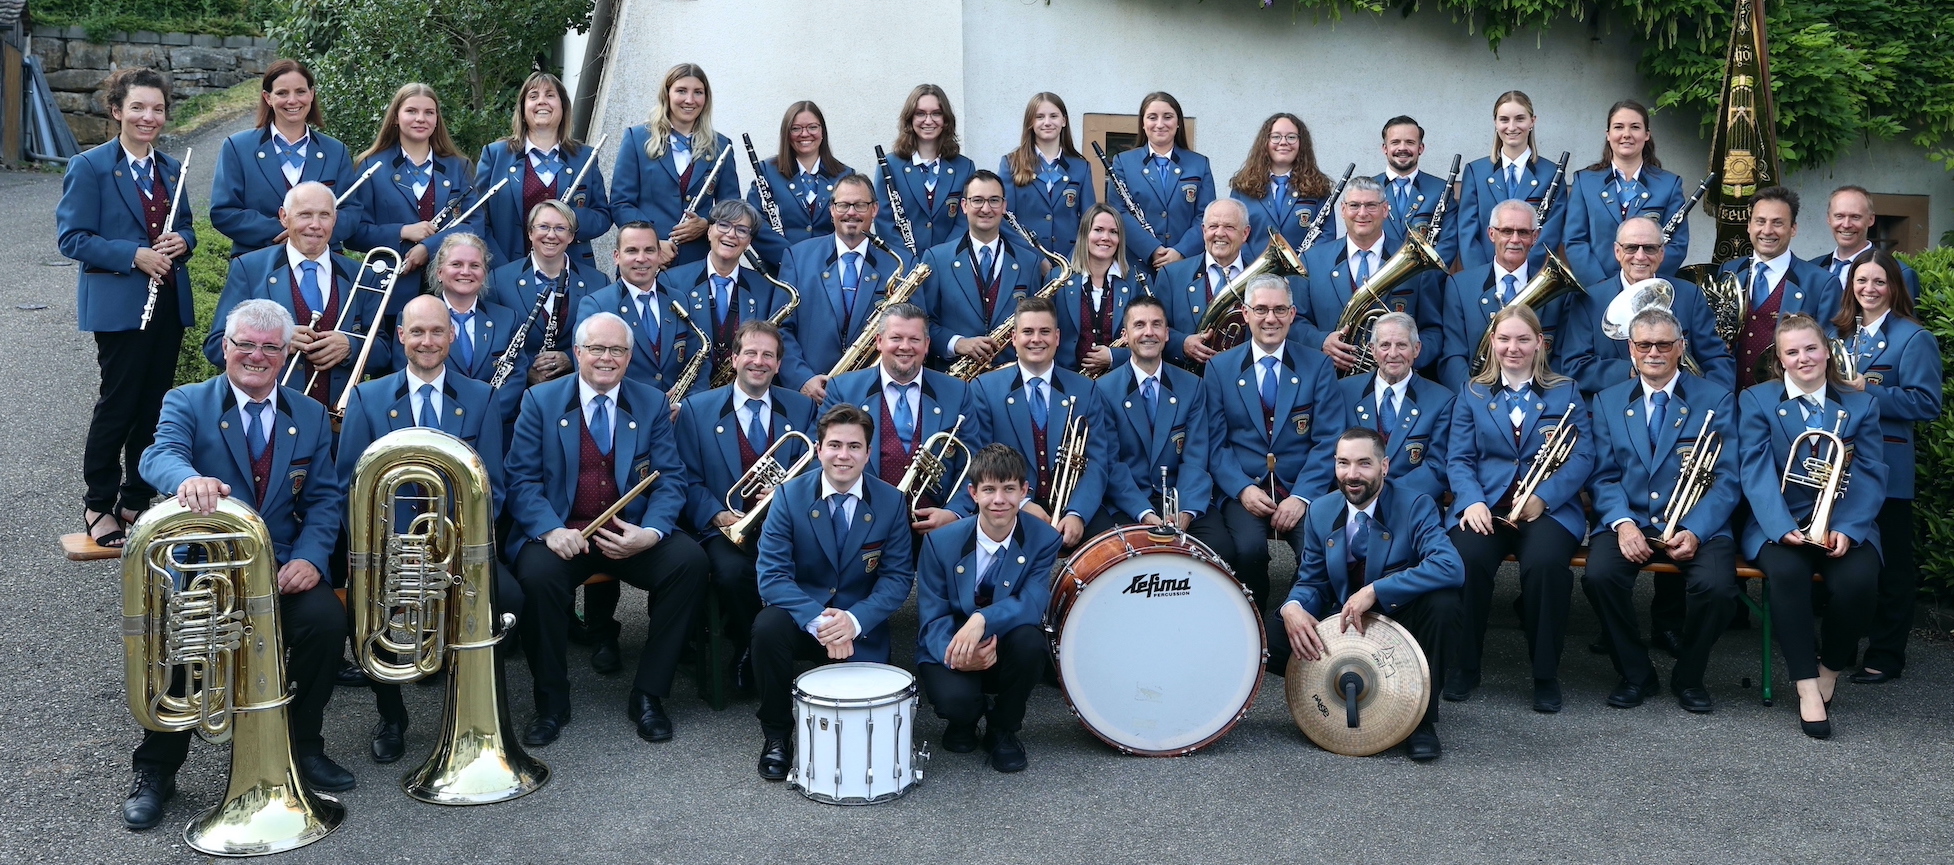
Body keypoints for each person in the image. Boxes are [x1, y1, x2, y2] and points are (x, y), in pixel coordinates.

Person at [124, 299, 354, 829]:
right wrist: (185, 478)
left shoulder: (312, 413)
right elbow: (156, 454)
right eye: (245, 344)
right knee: (182, 646)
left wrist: (312, 560)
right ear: (225, 347)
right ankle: (157, 768)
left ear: (283, 354)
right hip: (206, 568)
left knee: (325, 623)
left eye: (270, 347)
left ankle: (303, 744)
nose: (256, 355)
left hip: (278, 568)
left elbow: (322, 499)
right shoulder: (187, 400)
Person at [504, 312, 708, 747]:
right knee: (537, 579)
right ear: (577, 352)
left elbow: (671, 478)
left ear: (629, 356)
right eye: (596, 348)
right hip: (563, 532)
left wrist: (651, 532)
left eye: (616, 350)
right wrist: (549, 530)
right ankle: (551, 701)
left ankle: (649, 694)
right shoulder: (540, 401)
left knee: (689, 563)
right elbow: (520, 480)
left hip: (628, 532)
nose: (606, 358)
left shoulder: (650, 401)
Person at [336, 293, 517, 762]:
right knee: (371, 608)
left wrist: (457, 546)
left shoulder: (481, 398)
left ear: (452, 334)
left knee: (512, 597)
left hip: (458, 547)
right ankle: (392, 716)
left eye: (437, 331)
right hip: (390, 548)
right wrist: (384, 551)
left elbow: (493, 483)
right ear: (400, 337)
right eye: (417, 332)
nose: (427, 341)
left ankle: (480, 703)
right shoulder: (367, 397)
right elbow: (348, 488)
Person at [56, 66, 196, 549]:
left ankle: (135, 500)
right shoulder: (90, 167)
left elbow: (189, 229)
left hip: (168, 303)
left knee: (154, 406)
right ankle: (98, 503)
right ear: (116, 110)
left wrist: (184, 241)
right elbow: (72, 238)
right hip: (121, 305)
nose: (148, 116)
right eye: (137, 107)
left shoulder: (173, 169)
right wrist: (132, 254)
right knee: (118, 404)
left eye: (157, 108)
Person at [1265, 427, 1464, 762]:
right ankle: (1339, 691)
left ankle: (1422, 722)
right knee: (1268, 634)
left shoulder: (1416, 504)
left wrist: (1376, 590)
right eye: (1343, 463)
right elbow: (1311, 581)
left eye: (1363, 464)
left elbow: (1451, 566)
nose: (1352, 475)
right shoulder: (1320, 510)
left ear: (1384, 467)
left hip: (1399, 620)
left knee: (1443, 604)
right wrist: (1293, 606)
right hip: (1345, 623)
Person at [1581, 307, 1741, 713]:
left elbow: (1727, 478)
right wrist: (1622, 524)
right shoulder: (1606, 401)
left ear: (1680, 347)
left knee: (1720, 589)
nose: (1653, 352)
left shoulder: (1716, 399)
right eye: (1643, 344)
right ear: (1631, 349)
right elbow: (1602, 476)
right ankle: (1635, 673)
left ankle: (1689, 676)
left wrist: (1696, 529)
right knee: (1598, 578)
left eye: (1663, 344)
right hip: (1629, 520)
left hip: (1695, 523)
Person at [1738, 313, 1887, 739]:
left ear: (1827, 351)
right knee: (1786, 575)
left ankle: (1830, 668)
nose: (1804, 358)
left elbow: (1873, 473)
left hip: (1842, 520)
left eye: (1811, 348)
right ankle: (1806, 686)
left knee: (1859, 583)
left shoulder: (1861, 404)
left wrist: (1851, 527)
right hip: (1779, 520)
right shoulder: (1757, 400)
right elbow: (1755, 469)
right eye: (1792, 352)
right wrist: (1779, 524)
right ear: (1780, 360)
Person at [750, 404, 917, 781]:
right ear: (818, 448)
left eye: (854, 446)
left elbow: (897, 578)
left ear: (868, 453)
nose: (844, 455)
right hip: (804, 620)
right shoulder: (789, 497)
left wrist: (855, 621)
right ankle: (776, 735)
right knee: (767, 627)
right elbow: (772, 575)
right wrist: (820, 620)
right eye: (835, 445)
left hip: (860, 625)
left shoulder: (891, 502)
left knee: (865, 748)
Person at [1443, 305, 1592, 712]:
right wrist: (1471, 501)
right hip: (1486, 506)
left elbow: (1582, 455)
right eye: (1505, 339)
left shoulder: (1566, 391)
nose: (1513, 347)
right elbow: (1458, 458)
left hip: (1546, 509)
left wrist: (1546, 496)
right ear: (1492, 343)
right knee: (1466, 561)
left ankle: (1545, 673)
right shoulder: (1472, 392)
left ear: (1539, 344)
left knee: (1545, 566)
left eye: (1523, 339)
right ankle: (1464, 666)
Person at [672, 321, 818, 687]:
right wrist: (718, 513)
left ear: (779, 365)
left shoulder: (801, 408)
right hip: (727, 527)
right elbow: (685, 478)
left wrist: (786, 494)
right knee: (734, 573)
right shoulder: (696, 410)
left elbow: (816, 469)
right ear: (734, 359)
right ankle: (749, 645)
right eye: (750, 353)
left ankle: (802, 644)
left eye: (768, 355)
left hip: (789, 525)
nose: (759, 361)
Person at [914, 444, 1063, 773]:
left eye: (1010, 489)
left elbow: (1033, 602)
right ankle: (965, 719)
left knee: (1031, 643)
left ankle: (1003, 728)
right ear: (973, 493)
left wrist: (983, 619)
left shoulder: (1043, 538)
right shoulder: (941, 543)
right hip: (953, 639)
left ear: (1024, 491)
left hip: (1004, 639)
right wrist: (958, 656)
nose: (999, 500)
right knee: (957, 704)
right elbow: (932, 617)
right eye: (989, 489)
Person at [1200, 275, 1346, 611]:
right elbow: (1215, 443)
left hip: (1300, 486)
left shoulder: (1319, 365)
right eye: (1261, 309)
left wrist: (1302, 496)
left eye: (1280, 310)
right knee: (1247, 551)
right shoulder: (1219, 369)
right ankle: (1255, 621)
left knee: (1321, 547)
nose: (1271, 319)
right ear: (1245, 313)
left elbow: (1328, 440)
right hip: (1245, 487)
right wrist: (1241, 489)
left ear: (1293, 314)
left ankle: (1291, 622)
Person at [1831, 254, 1942, 686]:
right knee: (1846, 558)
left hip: (1887, 466)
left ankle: (1887, 653)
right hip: (1840, 466)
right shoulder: (1838, 332)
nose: (1869, 289)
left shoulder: (1914, 338)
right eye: (1862, 280)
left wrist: (1868, 391)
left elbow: (1926, 403)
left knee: (1892, 565)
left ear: (1894, 286)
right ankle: (1843, 644)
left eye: (1879, 281)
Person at [204, 181, 388, 410]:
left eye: (324, 215)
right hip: (269, 412)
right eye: (305, 215)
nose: (315, 225)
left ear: (335, 219)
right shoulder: (249, 268)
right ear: (284, 217)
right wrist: (273, 344)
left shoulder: (361, 275)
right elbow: (215, 346)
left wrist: (351, 347)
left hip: (340, 421)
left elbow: (384, 352)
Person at [819, 303, 983, 535]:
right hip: (860, 529)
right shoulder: (844, 389)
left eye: (914, 339)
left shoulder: (958, 392)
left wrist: (954, 512)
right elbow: (822, 459)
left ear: (927, 345)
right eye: (896, 338)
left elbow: (973, 462)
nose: (905, 347)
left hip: (934, 530)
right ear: (879, 341)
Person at [1090, 295, 1230, 555]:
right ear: (1125, 334)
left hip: (1181, 499)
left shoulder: (1192, 386)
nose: (1149, 333)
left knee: (1224, 550)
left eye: (1156, 325)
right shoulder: (1103, 390)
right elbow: (1111, 463)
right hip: (1129, 502)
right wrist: (1143, 513)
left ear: (1167, 334)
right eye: (1139, 325)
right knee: (1122, 560)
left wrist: (1185, 512)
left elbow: (1196, 458)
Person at [968, 296, 1113, 546]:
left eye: (1044, 331)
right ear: (1014, 339)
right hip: (1010, 507)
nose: (1036, 339)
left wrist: (1077, 513)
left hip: (1074, 506)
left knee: (1113, 554)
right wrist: (1021, 503)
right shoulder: (984, 389)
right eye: (1027, 332)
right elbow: (979, 459)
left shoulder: (1086, 389)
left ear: (1057, 338)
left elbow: (1097, 461)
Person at [1563, 215, 1735, 395]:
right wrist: (1634, 369)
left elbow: (1716, 358)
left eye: (1649, 248)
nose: (1640, 256)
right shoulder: (1589, 299)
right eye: (1631, 247)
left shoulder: (1689, 295)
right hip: (1613, 409)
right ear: (1617, 251)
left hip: (1683, 408)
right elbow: (1574, 365)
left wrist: (1712, 400)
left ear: (1661, 253)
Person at [210, 59, 361, 258]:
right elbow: (224, 211)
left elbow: (351, 210)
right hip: (257, 263)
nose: (292, 100)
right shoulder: (237, 147)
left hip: (323, 262)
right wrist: (285, 230)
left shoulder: (336, 150)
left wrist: (310, 233)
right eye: (282, 93)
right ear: (268, 98)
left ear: (311, 94)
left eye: (300, 91)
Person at [778, 174, 906, 400]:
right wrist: (802, 379)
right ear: (831, 209)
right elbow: (780, 328)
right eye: (843, 205)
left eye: (860, 205)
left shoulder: (900, 263)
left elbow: (909, 334)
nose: (851, 212)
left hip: (876, 395)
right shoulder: (798, 258)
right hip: (812, 395)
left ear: (874, 209)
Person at [350, 83, 475, 314]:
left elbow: (474, 224)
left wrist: (428, 247)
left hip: (451, 289)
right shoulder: (371, 166)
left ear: (437, 119)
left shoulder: (459, 166)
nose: (421, 118)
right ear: (396, 117)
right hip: (391, 291)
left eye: (429, 112)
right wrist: (402, 232)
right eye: (411, 111)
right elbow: (353, 231)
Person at [1296, 176, 1441, 375]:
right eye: (1354, 205)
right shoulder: (1312, 261)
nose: (1362, 213)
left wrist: (1403, 361)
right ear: (1343, 210)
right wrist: (1321, 341)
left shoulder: (1417, 262)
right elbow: (1295, 322)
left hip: (1395, 383)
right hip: (1329, 381)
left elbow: (1433, 331)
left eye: (1371, 205)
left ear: (1385, 209)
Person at [468, 71, 611, 271]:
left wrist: (569, 219)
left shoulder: (584, 157)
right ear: (523, 109)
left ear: (563, 107)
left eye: (550, 95)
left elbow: (602, 215)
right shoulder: (496, 155)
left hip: (571, 272)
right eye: (533, 96)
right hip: (506, 270)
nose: (542, 101)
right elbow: (477, 216)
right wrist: (499, 266)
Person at [1437, 199, 1577, 389]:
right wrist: (1473, 398)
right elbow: (1453, 356)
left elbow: (1562, 358)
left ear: (1535, 237)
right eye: (1506, 231)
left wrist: (1540, 397)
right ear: (1492, 234)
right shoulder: (1460, 286)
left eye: (1524, 232)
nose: (1515, 239)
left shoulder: (1558, 291)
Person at [401, 233, 526, 440]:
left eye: (475, 266)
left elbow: (516, 378)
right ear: (439, 272)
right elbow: (408, 376)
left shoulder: (507, 319)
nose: (465, 272)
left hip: (492, 434)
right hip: (434, 431)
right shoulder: (413, 316)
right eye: (456, 264)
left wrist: (483, 418)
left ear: (484, 273)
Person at [613, 63, 740, 265]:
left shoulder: (721, 146)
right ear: (667, 94)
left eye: (698, 92)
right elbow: (621, 203)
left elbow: (732, 208)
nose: (690, 100)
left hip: (698, 261)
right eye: (681, 91)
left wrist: (707, 224)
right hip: (645, 260)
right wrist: (652, 241)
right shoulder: (636, 139)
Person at [663, 199, 798, 385]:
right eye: (724, 225)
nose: (731, 234)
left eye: (742, 230)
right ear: (709, 231)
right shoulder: (673, 282)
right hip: (687, 394)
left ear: (749, 241)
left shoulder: (765, 288)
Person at [916, 169, 1040, 369]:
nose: (986, 208)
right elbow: (922, 323)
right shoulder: (936, 259)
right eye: (977, 200)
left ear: (1004, 206)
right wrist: (957, 343)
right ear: (964, 205)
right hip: (954, 376)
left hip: (1009, 379)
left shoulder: (1029, 262)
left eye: (994, 200)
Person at [1717, 186, 1838, 386]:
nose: (1767, 230)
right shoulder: (1728, 271)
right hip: (1728, 395)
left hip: (1785, 401)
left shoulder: (1821, 283)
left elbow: (1828, 352)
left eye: (1778, 223)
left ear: (1793, 229)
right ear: (1749, 226)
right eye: (1760, 221)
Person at [1562, 100, 1690, 288]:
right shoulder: (1584, 182)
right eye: (1618, 127)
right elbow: (1574, 240)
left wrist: (1641, 281)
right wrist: (1602, 285)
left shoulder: (1669, 185)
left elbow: (1677, 245)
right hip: (1595, 290)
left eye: (1635, 127)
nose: (1626, 134)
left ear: (1647, 135)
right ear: (1608, 134)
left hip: (1647, 289)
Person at [1158, 198, 1301, 365]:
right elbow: (1156, 327)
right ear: (1204, 231)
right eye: (1213, 226)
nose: (1219, 233)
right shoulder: (1172, 275)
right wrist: (1182, 343)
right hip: (1189, 380)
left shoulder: (1267, 280)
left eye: (1229, 227)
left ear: (1245, 233)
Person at [485, 200, 607, 388]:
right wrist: (525, 370)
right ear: (530, 232)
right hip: (521, 393)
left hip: (578, 389)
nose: (551, 235)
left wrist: (570, 358)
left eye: (560, 228)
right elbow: (493, 343)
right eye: (543, 227)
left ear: (571, 236)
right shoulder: (499, 280)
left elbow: (604, 340)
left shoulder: (598, 282)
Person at [1335, 312, 1452, 501]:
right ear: (1372, 349)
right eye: (1385, 345)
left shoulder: (1442, 401)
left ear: (1416, 349)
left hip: (1413, 506)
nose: (1393, 353)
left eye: (1402, 345)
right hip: (1353, 502)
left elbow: (1437, 467)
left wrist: (1387, 496)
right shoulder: (1344, 392)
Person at [1452, 91, 1563, 273]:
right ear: (1495, 123)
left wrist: (1525, 272)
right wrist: (1483, 275)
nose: (1512, 127)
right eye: (1504, 120)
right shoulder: (1476, 171)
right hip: (1484, 273)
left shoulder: (1551, 174)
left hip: (1531, 276)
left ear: (1532, 121)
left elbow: (1550, 234)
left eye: (1520, 119)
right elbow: (1467, 233)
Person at [575, 222, 691, 391]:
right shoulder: (596, 305)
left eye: (649, 250)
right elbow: (588, 372)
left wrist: (683, 405)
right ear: (616, 256)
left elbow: (699, 362)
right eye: (632, 251)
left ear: (659, 255)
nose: (641, 258)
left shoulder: (680, 300)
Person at [1105, 92, 1213, 272]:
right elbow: (1119, 213)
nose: (1160, 124)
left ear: (1178, 122)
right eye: (1152, 117)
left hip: (1186, 265)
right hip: (1138, 264)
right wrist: (1152, 249)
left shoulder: (1199, 164)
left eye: (1168, 117)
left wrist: (1181, 251)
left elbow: (1206, 215)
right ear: (1143, 123)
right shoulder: (1123, 162)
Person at [748, 100, 853, 269]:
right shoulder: (766, 172)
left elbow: (852, 225)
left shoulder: (844, 175)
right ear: (786, 134)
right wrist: (792, 258)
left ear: (822, 131)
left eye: (812, 127)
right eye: (796, 128)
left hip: (831, 269)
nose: (805, 134)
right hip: (781, 270)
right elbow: (754, 223)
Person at [874, 84, 975, 253]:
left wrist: (941, 258)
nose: (928, 121)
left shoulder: (964, 167)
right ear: (910, 119)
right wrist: (909, 261)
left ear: (946, 120)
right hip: (905, 267)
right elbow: (884, 221)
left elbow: (964, 221)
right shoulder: (890, 165)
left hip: (949, 263)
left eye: (936, 113)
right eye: (920, 113)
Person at [999, 92, 1094, 260]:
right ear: (1031, 122)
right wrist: (1036, 257)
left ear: (1063, 121)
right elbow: (1003, 218)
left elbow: (1089, 222)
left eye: (1054, 116)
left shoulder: (1081, 167)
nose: (1047, 122)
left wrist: (1073, 260)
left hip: (1070, 262)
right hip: (1024, 260)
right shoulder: (1011, 164)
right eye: (1040, 117)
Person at [1229, 112, 1335, 260]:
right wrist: (1254, 267)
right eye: (1276, 136)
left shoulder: (1318, 187)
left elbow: (1327, 234)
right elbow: (1233, 231)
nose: (1283, 142)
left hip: (1303, 278)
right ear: (1265, 142)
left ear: (1301, 143)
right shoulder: (1242, 187)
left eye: (1291, 137)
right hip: (1254, 276)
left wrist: (1304, 265)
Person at [1056, 203, 1141, 376]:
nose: (1106, 237)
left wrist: (1113, 357)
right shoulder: (1058, 279)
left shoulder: (1137, 282)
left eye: (1113, 232)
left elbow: (1151, 339)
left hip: (1120, 381)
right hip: (1066, 380)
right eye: (1098, 230)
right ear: (1085, 234)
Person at [1811, 186, 1920, 298]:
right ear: (1829, 218)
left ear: (1871, 219)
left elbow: (1903, 315)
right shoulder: (1811, 268)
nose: (1846, 224)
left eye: (1855, 217)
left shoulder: (1900, 274)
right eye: (1839, 216)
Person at [1375, 115, 1456, 265]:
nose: (1402, 148)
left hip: (1424, 283)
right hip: (1376, 282)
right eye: (1395, 142)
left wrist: (1423, 279)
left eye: (1410, 142)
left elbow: (1448, 245)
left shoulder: (1441, 191)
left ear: (1421, 148)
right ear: (1384, 148)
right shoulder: (1368, 189)